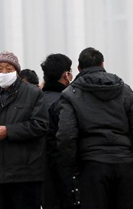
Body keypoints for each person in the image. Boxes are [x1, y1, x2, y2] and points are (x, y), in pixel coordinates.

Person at [57, 48, 133, 209]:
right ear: (103, 64)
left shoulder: (70, 94)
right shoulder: (125, 90)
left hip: (91, 165)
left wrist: (74, 168)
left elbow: (66, 135)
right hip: (124, 164)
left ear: (79, 68)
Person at [0, 51, 49, 209]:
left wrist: (9, 131)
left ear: (17, 71)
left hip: (25, 175)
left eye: (8, 69)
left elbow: (40, 125)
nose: (4, 73)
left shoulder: (33, 93)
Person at [41, 54, 74, 209]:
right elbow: (66, 138)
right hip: (62, 171)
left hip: (40, 171)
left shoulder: (36, 100)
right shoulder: (64, 101)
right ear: (65, 75)